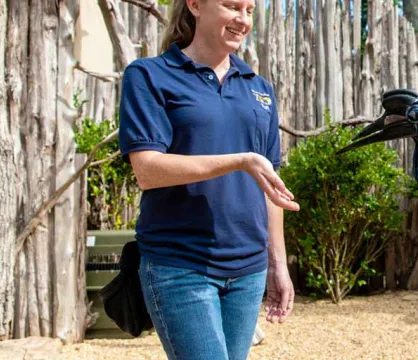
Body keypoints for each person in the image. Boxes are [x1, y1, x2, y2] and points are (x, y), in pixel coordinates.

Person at [116, 0, 300, 359]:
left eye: (249, 10)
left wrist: (278, 263)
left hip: (248, 271)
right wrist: (240, 160)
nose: (243, 20)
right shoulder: (150, 76)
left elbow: (270, 186)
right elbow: (148, 170)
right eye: (232, 6)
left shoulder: (258, 89)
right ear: (196, 5)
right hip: (180, 265)